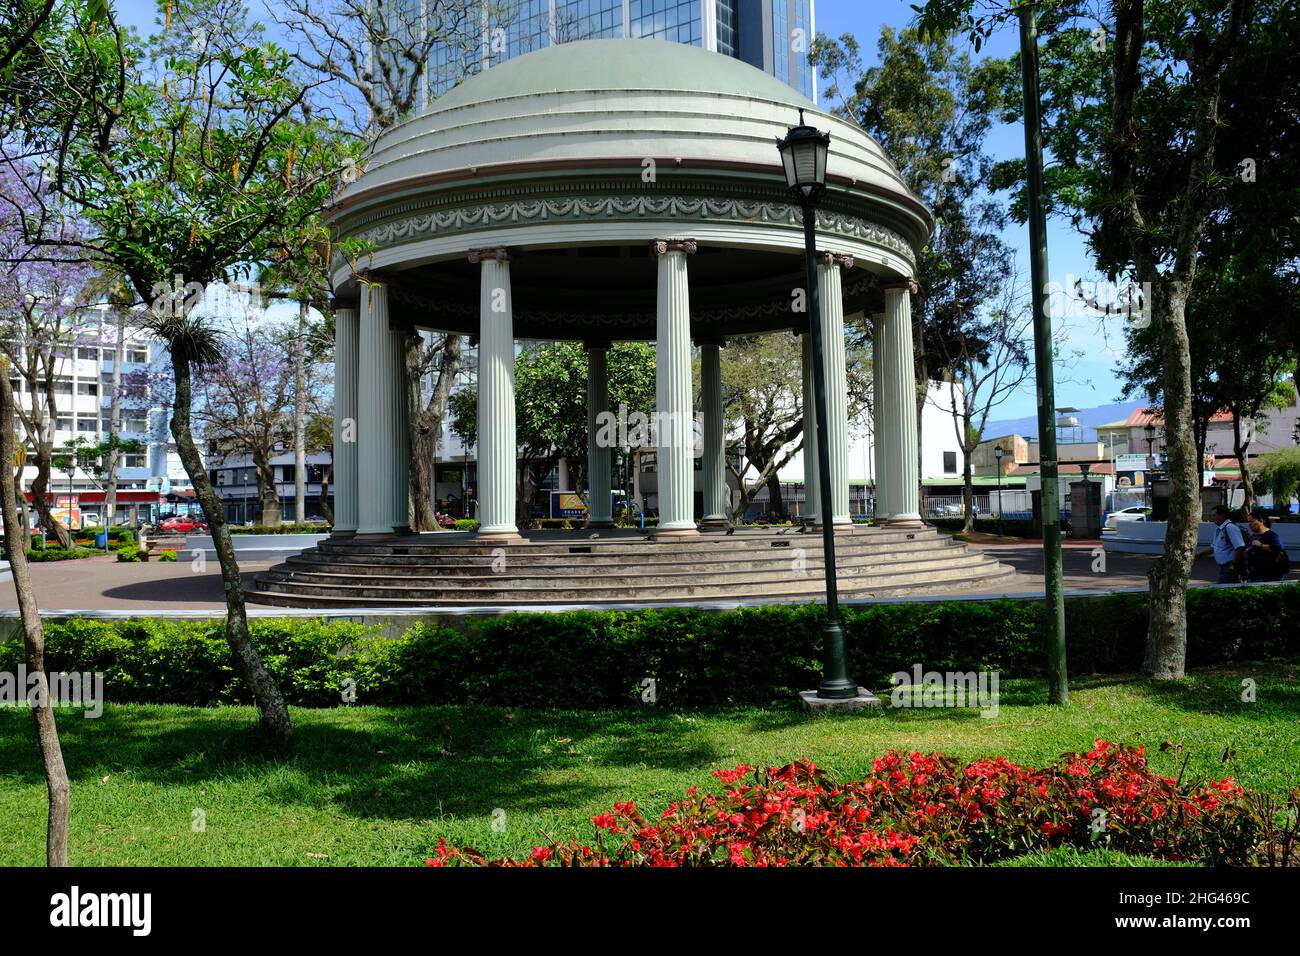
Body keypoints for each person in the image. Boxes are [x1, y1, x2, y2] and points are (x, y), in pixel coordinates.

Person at [1202, 505, 1246, 584]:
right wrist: (1198, 554)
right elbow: (1214, 548)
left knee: (1221, 589)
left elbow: (1240, 546)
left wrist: (1234, 564)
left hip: (1230, 567)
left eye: (1214, 515)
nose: (1212, 518)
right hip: (1224, 567)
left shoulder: (1230, 527)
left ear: (1222, 515)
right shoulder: (1218, 529)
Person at [1245, 513, 1288, 582]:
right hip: (1255, 575)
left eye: (1252, 521)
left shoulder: (1271, 535)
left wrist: (1261, 545)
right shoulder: (1253, 536)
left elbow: (1278, 548)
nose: (1249, 524)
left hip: (1270, 576)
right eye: (1248, 522)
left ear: (1261, 521)